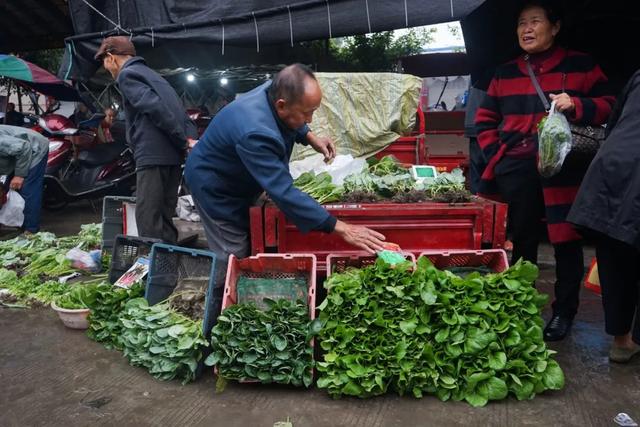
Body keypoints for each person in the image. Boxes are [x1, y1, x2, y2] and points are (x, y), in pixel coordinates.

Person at [185, 64, 386, 312]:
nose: (310, 119)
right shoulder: (256, 132)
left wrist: (310, 137)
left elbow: (293, 118)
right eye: (307, 113)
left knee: (247, 239)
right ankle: (219, 315)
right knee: (232, 252)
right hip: (214, 186)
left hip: (235, 174)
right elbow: (284, 193)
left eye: (313, 111)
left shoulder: (273, 90)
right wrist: (341, 228)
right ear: (281, 105)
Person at [474, 0, 615, 341]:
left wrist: (577, 104)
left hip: (565, 170)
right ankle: (523, 308)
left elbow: (611, 105)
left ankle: (563, 314)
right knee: (522, 241)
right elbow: (484, 120)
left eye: (535, 21)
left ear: (555, 27)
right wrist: (499, 155)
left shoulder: (580, 65)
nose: (527, 29)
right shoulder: (504, 72)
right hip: (517, 169)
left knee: (566, 242)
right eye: (522, 23)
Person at [568, 69, 640, 362]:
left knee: (615, 255)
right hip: (627, 173)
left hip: (611, 168)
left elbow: (614, 122)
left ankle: (622, 342)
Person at [94, 36, 196, 243]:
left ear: (111, 57)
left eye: (104, 62)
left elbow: (154, 107)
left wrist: (182, 140)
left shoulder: (127, 75)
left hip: (153, 154)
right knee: (165, 214)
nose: (106, 68)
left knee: (148, 215)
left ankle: (154, 265)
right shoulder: (154, 75)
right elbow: (179, 111)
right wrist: (185, 141)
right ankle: (167, 262)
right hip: (172, 155)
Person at [0, 125, 48, 233]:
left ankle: (31, 230)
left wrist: (19, 175)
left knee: (27, 189)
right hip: (16, 155)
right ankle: (14, 222)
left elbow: (23, 147)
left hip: (33, 148)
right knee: (6, 189)